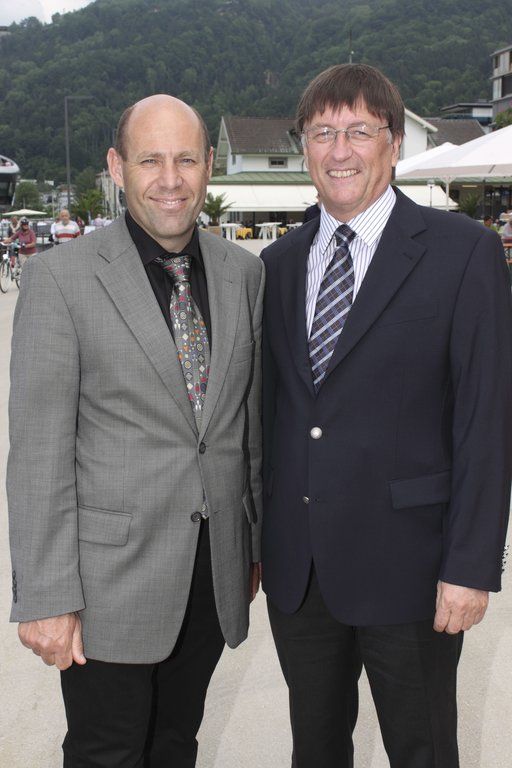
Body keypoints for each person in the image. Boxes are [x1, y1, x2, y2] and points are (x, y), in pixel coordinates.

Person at [261, 63, 512, 768]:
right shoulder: (277, 264)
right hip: (301, 572)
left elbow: (486, 421)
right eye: (322, 133)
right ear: (304, 148)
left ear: (394, 143)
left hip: (413, 569)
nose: (339, 150)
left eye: (359, 131)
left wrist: (470, 566)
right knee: (315, 749)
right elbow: (273, 418)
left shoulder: (463, 252)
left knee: (422, 749)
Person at [8, 94, 264, 767]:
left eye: (186, 160)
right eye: (151, 160)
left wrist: (254, 543)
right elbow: (37, 453)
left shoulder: (244, 273)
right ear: (117, 168)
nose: (170, 179)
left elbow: (246, 424)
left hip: (211, 573)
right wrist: (46, 596)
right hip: (107, 583)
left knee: (176, 744)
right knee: (108, 752)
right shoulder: (59, 278)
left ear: (209, 166)